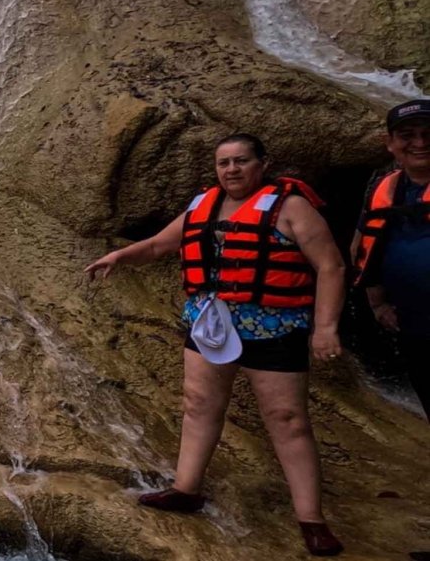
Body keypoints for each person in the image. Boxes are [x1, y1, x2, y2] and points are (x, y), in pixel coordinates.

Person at [84, 133, 347, 558]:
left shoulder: (291, 207)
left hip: (274, 328)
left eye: (241, 161)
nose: (232, 170)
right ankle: (186, 489)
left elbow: (331, 265)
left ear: (261, 164)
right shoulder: (201, 204)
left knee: (287, 419)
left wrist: (326, 327)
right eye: (224, 163)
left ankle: (312, 519)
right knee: (199, 404)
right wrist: (119, 257)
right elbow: (158, 245)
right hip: (211, 325)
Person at [351, 98, 430, 417]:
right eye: (408, 135)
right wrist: (377, 302)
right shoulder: (384, 189)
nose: (420, 143)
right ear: (390, 143)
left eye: (428, 133)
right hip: (413, 323)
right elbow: (364, 248)